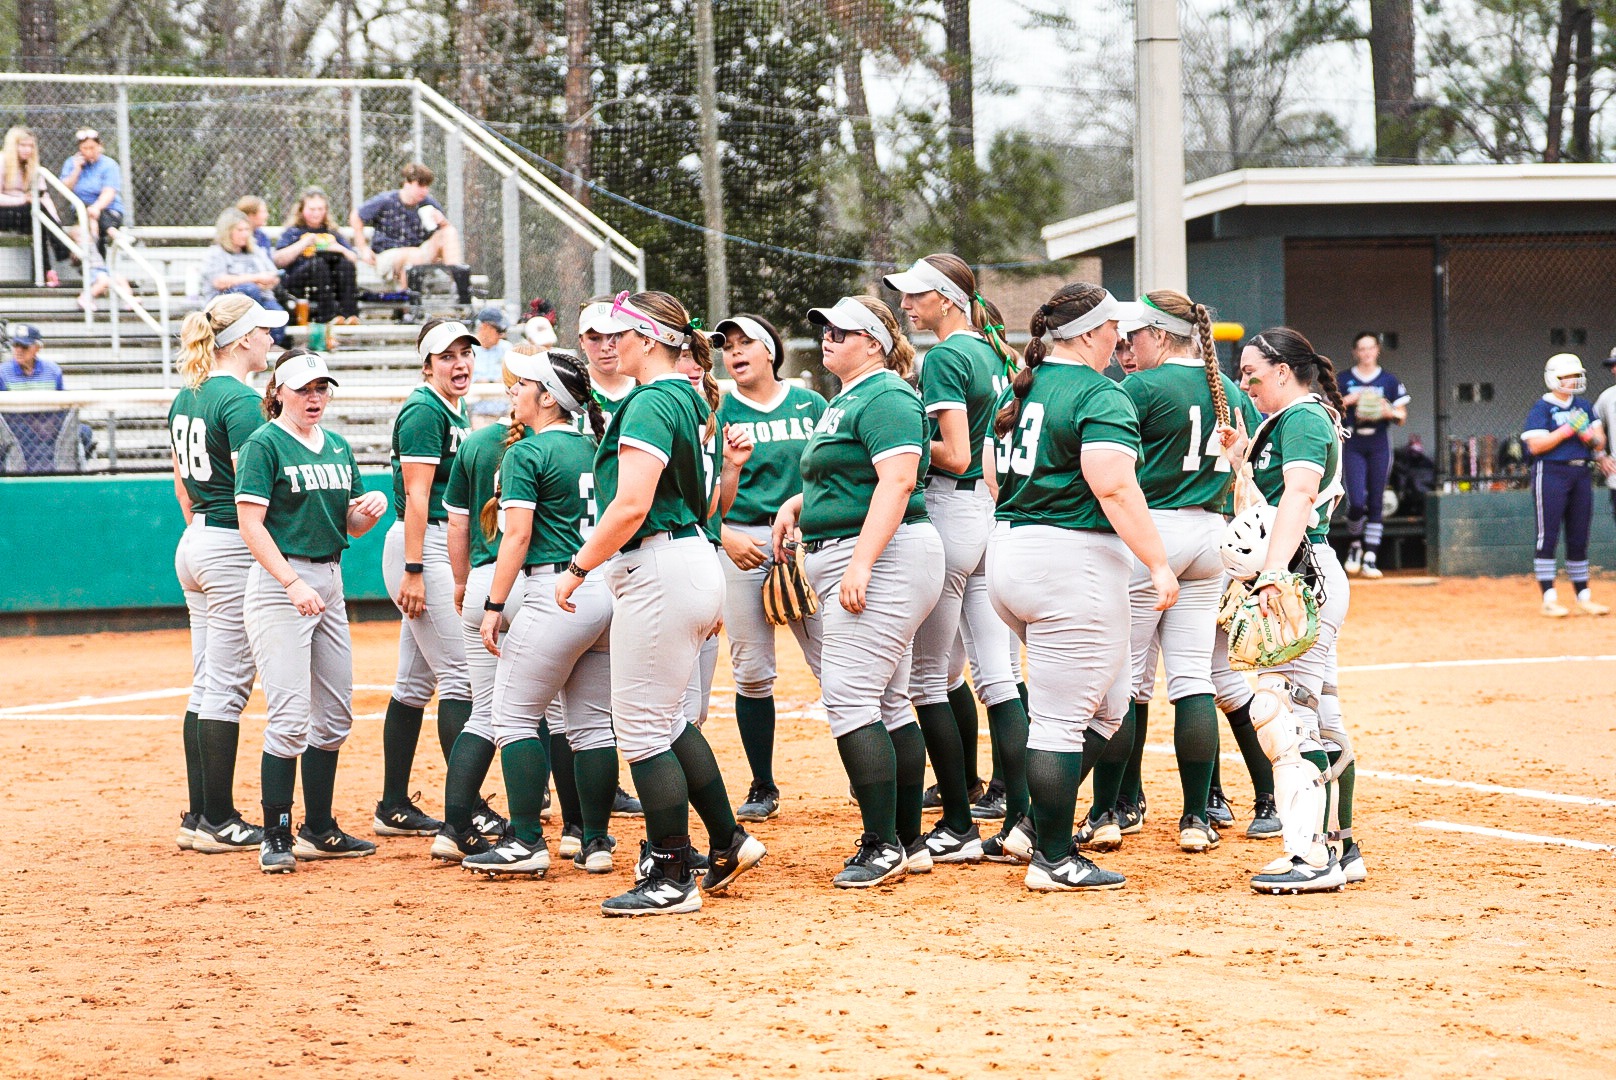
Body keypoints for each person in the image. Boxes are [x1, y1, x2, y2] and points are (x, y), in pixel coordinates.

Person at [555, 290, 766, 917]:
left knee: (644, 728)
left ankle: (672, 870)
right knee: (669, 720)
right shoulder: (683, 394)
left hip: (660, 565)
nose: (610, 344)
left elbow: (631, 505)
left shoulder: (652, 399)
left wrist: (576, 567)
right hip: (687, 560)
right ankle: (728, 837)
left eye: (622, 333)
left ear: (650, 340)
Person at [985, 282, 1178, 893]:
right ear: (1093, 332)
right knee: (1061, 721)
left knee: (1111, 705)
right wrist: (1158, 562)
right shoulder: (1097, 392)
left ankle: (1033, 828)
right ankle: (1054, 855)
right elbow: (1115, 487)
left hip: (1014, 550)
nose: (1121, 338)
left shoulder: (1026, 385)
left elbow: (991, 472)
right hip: (1071, 560)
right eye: (1114, 328)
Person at [772, 295, 945, 887]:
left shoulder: (887, 394)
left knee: (848, 697)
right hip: (856, 548)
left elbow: (897, 483)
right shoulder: (850, 397)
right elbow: (852, 475)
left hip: (883, 554)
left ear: (872, 341)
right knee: (888, 700)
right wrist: (801, 503)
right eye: (823, 328)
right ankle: (906, 839)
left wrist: (862, 564)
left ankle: (880, 845)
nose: (827, 338)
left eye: (841, 331)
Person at [1097, 291, 1258, 855]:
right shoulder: (1230, 389)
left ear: (1160, 336)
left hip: (1152, 533)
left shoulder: (1141, 387)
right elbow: (1252, 464)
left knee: (1128, 681)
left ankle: (1114, 809)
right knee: (1192, 679)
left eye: (1135, 336)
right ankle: (1195, 817)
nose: (1127, 346)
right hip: (1212, 533)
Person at [883, 255, 1030, 864]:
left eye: (917, 296)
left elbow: (957, 452)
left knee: (928, 682)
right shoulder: (995, 349)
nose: (905, 305)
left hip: (950, 512)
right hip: (989, 515)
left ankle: (959, 822)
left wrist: (897, 441)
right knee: (999, 678)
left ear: (947, 298)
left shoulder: (945, 355)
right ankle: (1024, 818)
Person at [234, 347, 389, 872]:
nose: (314, 398)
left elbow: (349, 527)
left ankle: (318, 827)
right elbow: (250, 524)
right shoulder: (265, 443)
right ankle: (275, 833)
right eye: (303, 389)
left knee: (336, 712)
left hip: (328, 577)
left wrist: (368, 512)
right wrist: (291, 581)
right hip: (283, 582)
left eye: (321, 388)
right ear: (278, 392)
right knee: (289, 715)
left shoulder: (338, 446)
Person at [468, 349, 621, 877]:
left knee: (510, 715)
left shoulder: (526, 453)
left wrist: (492, 605)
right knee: (592, 727)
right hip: (601, 586)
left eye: (524, 383)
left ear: (549, 397)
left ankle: (526, 840)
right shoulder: (595, 445)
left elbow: (517, 536)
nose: (514, 390)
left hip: (553, 588)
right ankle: (596, 840)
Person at [1224, 327, 1359, 893]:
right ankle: (1341, 847)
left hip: (1301, 574)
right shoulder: (1282, 422)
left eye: (1252, 369)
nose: (1243, 380)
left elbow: (1300, 497)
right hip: (1305, 569)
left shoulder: (1303, 418)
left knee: (1281, 710)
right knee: (1321, 715)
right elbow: (1269, 504)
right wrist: (1240, 459)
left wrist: (1275, 575)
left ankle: (1309, 856)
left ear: (1283, 370)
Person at [167, 294, 289, 855]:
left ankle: (199, 814)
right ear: (242, 339)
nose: (270, 340)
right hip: (228, 545)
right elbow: (250, 487)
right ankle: (218, 817)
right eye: (264, 331)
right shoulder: (240, 400)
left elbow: (181, 485)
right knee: (228, 684)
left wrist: (203, 532)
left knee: (206, 680)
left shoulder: (188, 392)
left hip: (197, 539)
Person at [711, 313, 827, 822]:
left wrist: (805, 522)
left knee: (835, 663)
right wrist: (725, 536)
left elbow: (830, 469)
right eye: (727, 346)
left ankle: (863, 766)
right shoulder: (717, 408)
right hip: (742, 541)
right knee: (752, 671)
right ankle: (762, 784)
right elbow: (705, 485)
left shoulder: (810, 403)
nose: (734, 352)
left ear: (769, 350)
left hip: (804, 535)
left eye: (744, 343)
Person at [376, 319, 477, 838]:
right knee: (462, 677)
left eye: (465, 353)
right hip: (423, 544)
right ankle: (466, 811)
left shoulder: (453, 408)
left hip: (435, 542)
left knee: (415, 683)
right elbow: (417, 496)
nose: (459, 364)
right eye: (447, 356)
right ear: (426, 363)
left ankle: (393, 803)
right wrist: (415, 569)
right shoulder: (423, 409)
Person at [433, 355, 535, 864]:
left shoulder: (474, 443)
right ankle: (580, 831)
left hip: (479, 578)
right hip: (533, 580)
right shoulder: (564, 441)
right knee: (559, 717)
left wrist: (459, 582)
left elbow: (456, 525)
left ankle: (454, 828)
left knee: (486, 713)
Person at [1523, 353, 1608, 617]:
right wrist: (1567, 430)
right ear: (1553, 378)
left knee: (1579, 536)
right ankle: (1549, 596)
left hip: (1581, 472)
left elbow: (1600, 442)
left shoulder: (1584, 405)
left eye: (1575, 376)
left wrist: (1587, 435)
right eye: (1567, 376)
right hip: (1551, 472)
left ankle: (1583, 596)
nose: (1573, 380)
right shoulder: (1542, 408)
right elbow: (1536, 445)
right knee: (1547, 536)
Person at [1338, 332, 1410, 579]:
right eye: (1362, 348)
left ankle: (1371, 555)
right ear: (1355, 352)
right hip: (1353, 439)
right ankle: (1355, 545)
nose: (1366, 353)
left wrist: (1385, 409)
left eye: (1371, 348)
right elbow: (1329, 409)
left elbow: (1401, 416)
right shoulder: (1344, 379)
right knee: (1357, 501)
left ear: (1377, 350)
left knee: (1377, 499)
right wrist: (1350, 400)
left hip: (1379, 441)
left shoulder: (1388, 380)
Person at [351, 163, 468, 300]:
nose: (424, 191)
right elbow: (356, 216)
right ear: (407, 183)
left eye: (427, 187)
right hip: (388, 255)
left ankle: (462, 293)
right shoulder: (386, 200)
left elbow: (444, 234)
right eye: (420, 185)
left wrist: (442, 222)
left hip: (419, 256)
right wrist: (363, 248)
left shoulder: (428, 203)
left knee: (449, 232)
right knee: (411, 258)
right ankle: (411, 308)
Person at [201, 209, 289, 346]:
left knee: (277, 313)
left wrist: (267, 281)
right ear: (227, 231)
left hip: (261, 300)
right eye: (239, 230)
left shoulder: (255, 252)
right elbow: (219, 281)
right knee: (248, 289)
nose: (245, 234)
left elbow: (273, 275)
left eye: (247, 229)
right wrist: (255, 278)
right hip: (226, 306)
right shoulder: (216, 253)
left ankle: (265, 349)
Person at [275, 188, 361, 326]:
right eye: (312, 209)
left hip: (330, 281)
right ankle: (327, 316)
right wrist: (304, 243)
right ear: (302, 210)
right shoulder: (293, 232)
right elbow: (278, 260)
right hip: (301, 281)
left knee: (345, 265)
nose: (316, 213)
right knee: (318, 265)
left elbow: (353, 259)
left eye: (320, 209)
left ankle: (348, 315)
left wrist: (338, 248)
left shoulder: (331, 232)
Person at [0, 126, 67, 285]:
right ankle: (62, 253)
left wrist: (56, 222)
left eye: (30, 146)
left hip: (25, 211)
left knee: (40, 220)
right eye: (23, 145)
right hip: (4, 211)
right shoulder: (2, 161)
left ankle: (44, 272)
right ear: (13, 145)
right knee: (35, 209)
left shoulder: (33, 167)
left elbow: (44, 197)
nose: (27, 150)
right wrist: (23, 199)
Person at [58, 128, 123, 262]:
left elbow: (109, 192)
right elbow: (64, 189)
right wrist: (77, 170)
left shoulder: (109, 165)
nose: (89, 152)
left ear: (100, 146)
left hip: (108, 210)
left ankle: (98, 262)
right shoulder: (72, 163)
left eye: (92, 148)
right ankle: (111, 233)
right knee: (88, 218)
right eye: (84, 148)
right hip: (81, 211)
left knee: (92, 217)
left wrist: (96, 208)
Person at [577, 297, 635, 422]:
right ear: (581, 341)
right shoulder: (569, 389)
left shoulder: (644, 386)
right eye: (594, 338)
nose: (605, 347)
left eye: (614, 335)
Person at [1593, 349, 1616, 529]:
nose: (1613, 370)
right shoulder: (1608, 397)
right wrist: (1600, 456)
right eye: (1612, 365)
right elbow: (1591, 425)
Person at [236, 196, 275, 261]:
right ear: (250, 215)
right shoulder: (236, 237)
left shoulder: (262, 236)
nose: (267, 215)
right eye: (263, 212)